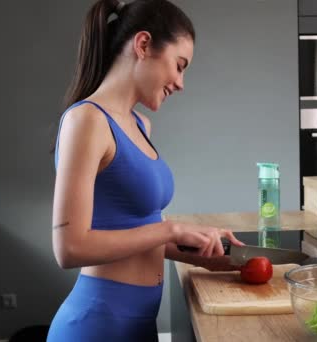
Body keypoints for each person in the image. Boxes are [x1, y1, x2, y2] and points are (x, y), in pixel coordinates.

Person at [47, 0, 244, 340]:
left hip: (139, 324)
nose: (181, 82)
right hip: (97, 325)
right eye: (179, 65)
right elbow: (69, 248)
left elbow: (136, 230)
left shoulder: (140, 125)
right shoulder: (87, 121)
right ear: (142, 45)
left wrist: (199, 252)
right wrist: (171, 231)